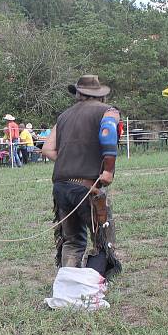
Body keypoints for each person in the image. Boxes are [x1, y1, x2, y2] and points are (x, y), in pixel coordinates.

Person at [42, 74, 121, 279]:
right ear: (99, 95)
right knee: (102, 237)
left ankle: (69, 283)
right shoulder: (108, 111)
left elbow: (47, 149)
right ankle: (95, 284)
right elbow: (108, 132)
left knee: (72, 241)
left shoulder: (63, 117)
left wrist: (70, 161)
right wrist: (108, 170)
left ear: (78, 94)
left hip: (61, 187)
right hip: (88, 187)